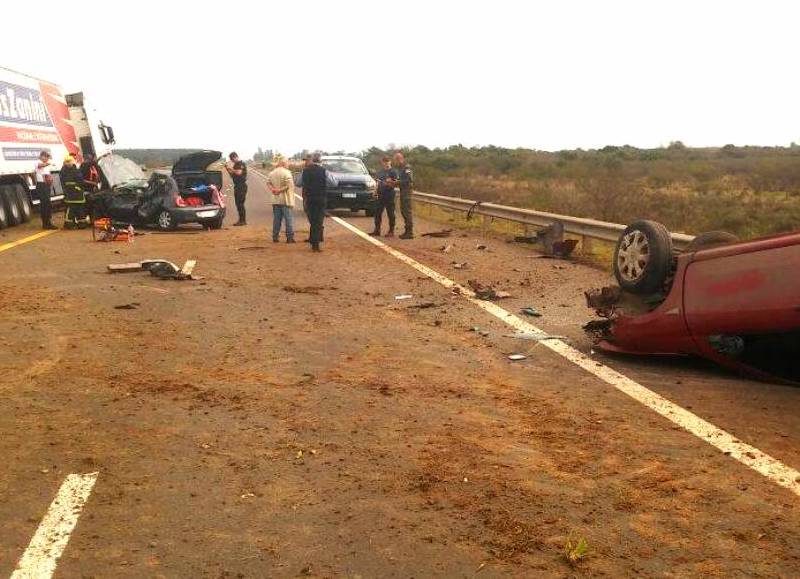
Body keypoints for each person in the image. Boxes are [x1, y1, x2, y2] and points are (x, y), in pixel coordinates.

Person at [301, 153, 328, 252]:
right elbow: (333, 182)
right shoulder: (324, 171)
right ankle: (315, 243)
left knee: (312, 220)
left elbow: (298, 183)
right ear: (320, 161)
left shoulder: (305, 171)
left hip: (310, 198)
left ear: (312, 160)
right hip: (321, 198)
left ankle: (313, 240)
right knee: (318, 220)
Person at [267, 156, 296, 243]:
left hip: (276, 199)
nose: (288, 165)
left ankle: (275, 237)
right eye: (287, 163)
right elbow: (289, 185)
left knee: (277, 219)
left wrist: (273, 190)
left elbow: (268, 183)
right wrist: (279, 190)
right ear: (283, 164)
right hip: (286, 200)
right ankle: (290, 238)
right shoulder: (287, 173)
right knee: (288, 220)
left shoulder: (272, 173)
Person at [370, 156, 399, 237]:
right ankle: (377, 230)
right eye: (384, 161)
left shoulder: (393, 172)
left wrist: (390, 182)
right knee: (377, 213)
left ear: (390, 162)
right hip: (380, 194)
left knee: (390, 213)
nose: (386, 163)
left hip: (389, 194)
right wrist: (375, 191)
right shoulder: (380, 172)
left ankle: (391, 231)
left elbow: (396, 183)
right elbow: (378, 183)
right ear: (382, 162)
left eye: (387, 161)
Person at [61, 155, 90, 228]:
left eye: (69, 161)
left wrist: (78, 187)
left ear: (72, 162)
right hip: (70, 192)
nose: (68, 163)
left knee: (79, 209)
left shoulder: (75, 170)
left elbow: (80, 180)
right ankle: (69, 224)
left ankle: (82, 223)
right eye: (66, 162)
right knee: (71, 209)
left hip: (76, 192)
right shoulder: (63, 171)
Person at [34, 151, 57, 230]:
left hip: (46, 185)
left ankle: (48, 222)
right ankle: (45, 223)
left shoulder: (46, 165)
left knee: (47, 204)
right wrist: (49, 163)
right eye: (46, 156)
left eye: (47, 157)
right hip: (41, 185)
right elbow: (40, 166)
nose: (47, 158)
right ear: (41, 156)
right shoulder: (38, 162)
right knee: (44, 204)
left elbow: (47, 174)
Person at [394, 152, 414, 239]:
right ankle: (407, 231)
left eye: (396, 159)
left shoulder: (407, 168)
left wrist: (397, 182)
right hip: (403, 192)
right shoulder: (401, 168)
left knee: (407, 211)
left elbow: (409, 180)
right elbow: (402, 180)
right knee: (403, 211)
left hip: (407, 192)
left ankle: (409, 232)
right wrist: (395, 182)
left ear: (400, 158)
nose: (396, 162)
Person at [225, 152, 248, 225]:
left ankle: (243, 220)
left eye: (232, 159)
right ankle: (241, 220)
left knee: (240, 203)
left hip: (241, 186)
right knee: (238, 203)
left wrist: (231, 169)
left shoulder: (240, 164)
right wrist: (227, 168)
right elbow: (232, 175)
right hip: (237, 185)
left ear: (235, 157)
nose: (232, 161)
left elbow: (239, 173)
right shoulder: (235, 165)